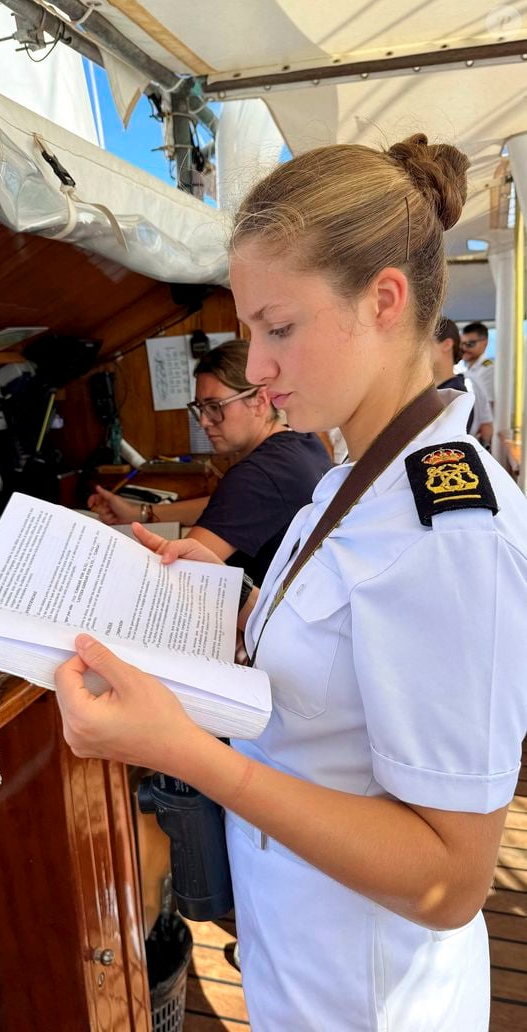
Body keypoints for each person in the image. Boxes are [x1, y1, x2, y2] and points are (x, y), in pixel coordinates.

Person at [55, 134, 527, 1031]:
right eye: (249, 334)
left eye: (280, 329)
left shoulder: (451, 534)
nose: (259, 370)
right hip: (301, 953)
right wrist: (223, 607)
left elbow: (450, 879)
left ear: (385, 300)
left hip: (369, 999)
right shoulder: (352, 479)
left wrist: (185, 752)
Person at [88, 340, 331, 584]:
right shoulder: (302, 440)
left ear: (260, 400)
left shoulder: (257, 476)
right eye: (200, 407)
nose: (204, 421)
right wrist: (141, 512)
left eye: (215, 406)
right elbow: (228, 506)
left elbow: (176, 575)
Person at [433, 316, 493, 447]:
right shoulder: (463, 381)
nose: (465, 348)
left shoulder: (463, 389)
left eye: (423, 342)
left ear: (447, 344)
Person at [461, 321, 494, 405]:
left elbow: (488, 404)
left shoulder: (489, 369)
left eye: (470, 344)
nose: (464, 348)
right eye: (461, 344)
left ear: (484, 343)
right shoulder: (465, 369)